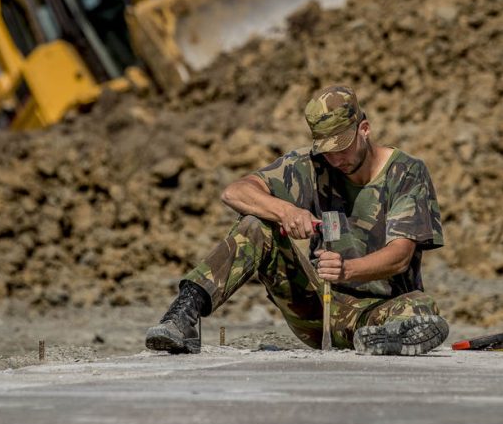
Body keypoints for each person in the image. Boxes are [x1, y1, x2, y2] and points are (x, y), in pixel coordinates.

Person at [145, 84, 448, 356]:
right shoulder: (311, 166)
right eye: (327, 151)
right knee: (256, 223)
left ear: (364, 129)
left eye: (342, 146)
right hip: (319, 306)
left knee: (421, 309)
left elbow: (400, 256)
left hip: (381, 311)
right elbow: (235, 192)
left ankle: (378, 340)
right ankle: (182, 315)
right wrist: (285, 211)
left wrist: (347, 270)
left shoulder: (406, 173)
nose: (336, 159)